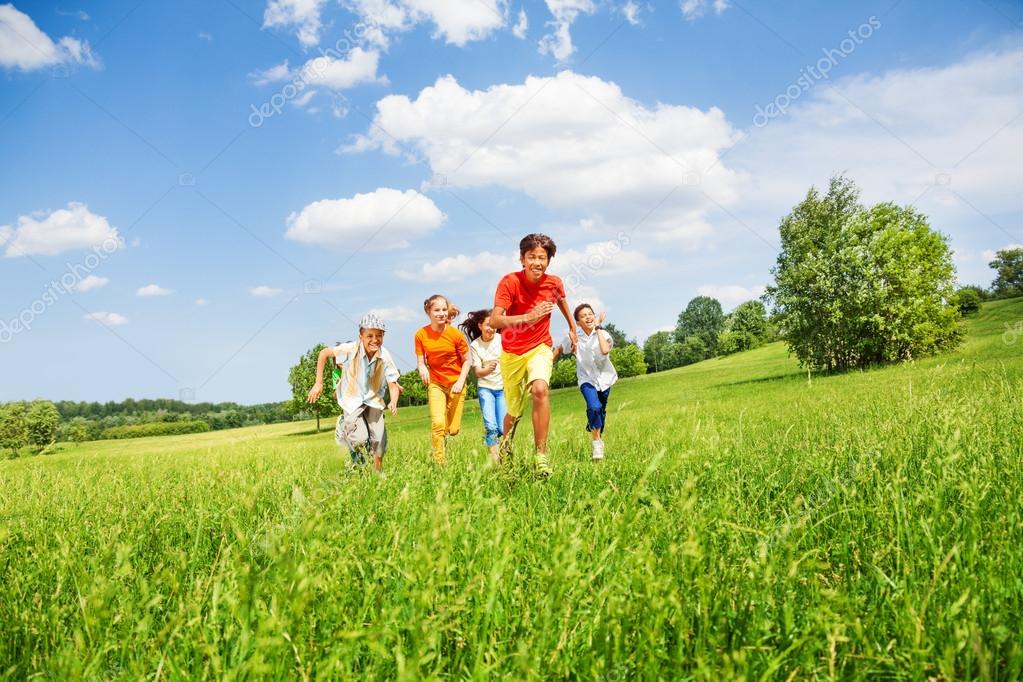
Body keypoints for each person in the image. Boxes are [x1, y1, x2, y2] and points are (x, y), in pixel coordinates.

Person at [491, 233, 576, 477]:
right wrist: (529, 316)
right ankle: (505, 451)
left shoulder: (554, 282)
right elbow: (496, 320)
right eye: (532, 257)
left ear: (548, 260)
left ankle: (541, 456)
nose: (537, 262)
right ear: (522, 258)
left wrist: (572, 327)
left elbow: (561, 302)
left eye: (542, 257)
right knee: (514, 412)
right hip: (512, 353)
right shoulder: (509, 282)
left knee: (540, 389)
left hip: (540, 347)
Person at [307, 313, 401, 472]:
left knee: (379, 440)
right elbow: (324, 353)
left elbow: (393, 383)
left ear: (383, 336)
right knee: (359, 439)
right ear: (361, 337)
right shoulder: (350, 349)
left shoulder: (385, 355)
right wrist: (318, 382)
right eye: (369, 336)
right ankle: (349, 438)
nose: (375, 339)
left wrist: (393, 401)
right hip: (352, 400)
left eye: (379, 335)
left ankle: (377, 472)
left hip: (374, 399)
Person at [553, 305, 617, 461]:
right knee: (594, 407)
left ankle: (594, 427)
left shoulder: (603, 333)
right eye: (583, 316)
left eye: (590, 314)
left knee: (600, 410)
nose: (588, 317)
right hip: (586, 379)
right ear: (577, 321)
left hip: (605, 379)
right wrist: (545, 366)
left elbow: (605, 350)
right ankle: (596, 443)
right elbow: (560, 349)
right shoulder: (574, 336)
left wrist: (598, 328)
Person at [415, 294, 471, 464]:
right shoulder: (421, 335)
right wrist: (423, 367)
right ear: (428, 312)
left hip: (456, 384)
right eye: (437, 310)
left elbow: (467, 360)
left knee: (452, 430)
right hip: (436, 384)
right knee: (438, 424)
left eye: (444, 310)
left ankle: (444, 432)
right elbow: (420, 360)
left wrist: (461, 381)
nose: (441, 313)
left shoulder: (455, 335)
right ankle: (440, 464)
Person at [460, 309, 506, 464]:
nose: (491, 328)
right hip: (486, 389)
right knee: (491, 427)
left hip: (502, 389)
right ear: (480, 325)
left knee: (503, 428)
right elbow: (478, 372)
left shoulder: (501, 339)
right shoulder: (475, 345)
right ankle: (496, 463)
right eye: (488, 324)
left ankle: (505, 456)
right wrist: (488, 368)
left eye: (494, 325)